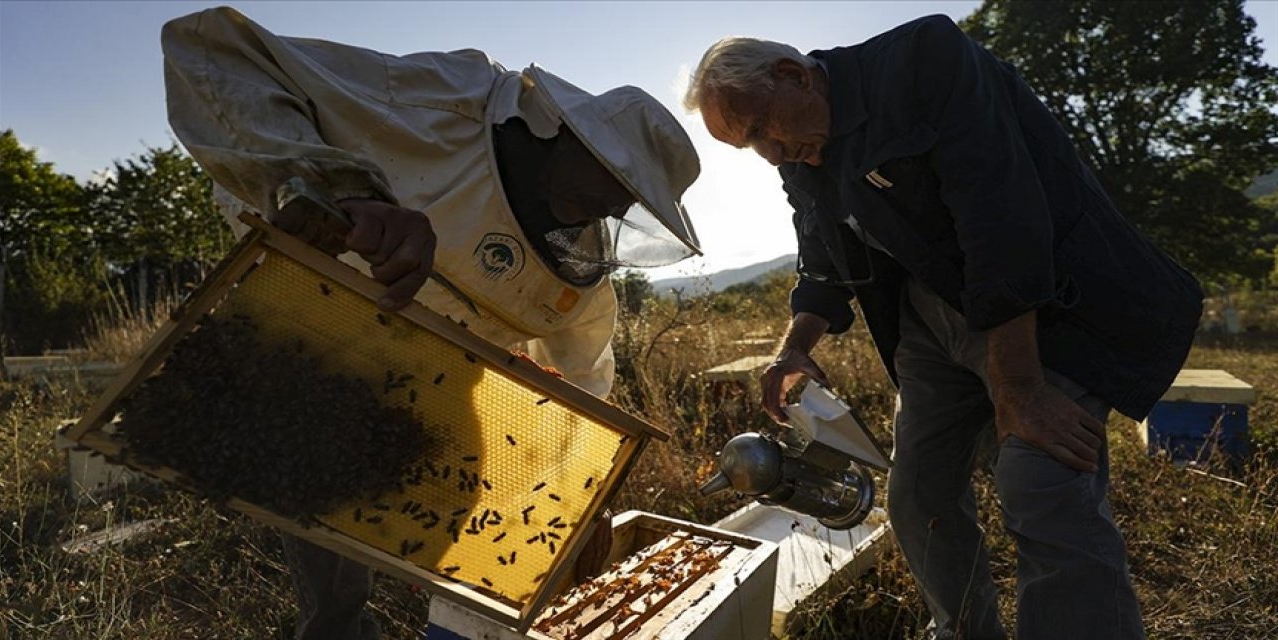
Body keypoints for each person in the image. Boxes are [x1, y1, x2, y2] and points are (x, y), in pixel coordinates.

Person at [162, 7, 701, 639]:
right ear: (565, 134)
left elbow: (584, 379)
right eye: (614, 179)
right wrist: (342, 192)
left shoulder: (578, 267)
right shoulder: (447, 99)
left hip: (446, 375)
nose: (614, 204)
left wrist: (588, 495)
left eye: (630, 198)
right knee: (315, 513)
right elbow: (210, 49)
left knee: (478, 529)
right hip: (318, 328)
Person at [683, 15, 1201, 640]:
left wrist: (1022, 386)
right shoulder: (802, 148)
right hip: (929, 319)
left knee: (1040, 482)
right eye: (750, 146)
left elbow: (1002, 222)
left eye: (763, 129)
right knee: (919, 496)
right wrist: (794, 347)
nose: (768, 153)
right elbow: (821, 255)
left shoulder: (924, 61)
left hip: (1047, 306)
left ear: (795, 76)